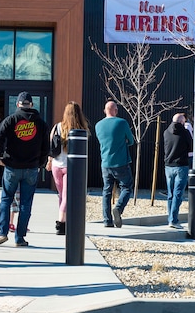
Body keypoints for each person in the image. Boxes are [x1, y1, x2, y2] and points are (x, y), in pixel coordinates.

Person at [0, 92, 50, 247]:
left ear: (18, 104)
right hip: (31, 168)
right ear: (31, 105)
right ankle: (20, 238)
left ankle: (2, 233)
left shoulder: (10, 120)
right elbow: (46, 146)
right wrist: (41, 163)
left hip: (11, 167)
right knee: (26, 203)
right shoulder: (41, 124)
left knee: (6, 200)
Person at [47, 101, 90, 234]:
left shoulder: (57, 127)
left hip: (56, 165)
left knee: (62, 195)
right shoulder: (82, 129)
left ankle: (64, 221)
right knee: (66, 196)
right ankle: (61, 223)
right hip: (71, 166)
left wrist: (49, 161)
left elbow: (50, 145)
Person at [95, 100, 134, 228]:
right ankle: (118, 207)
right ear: (116, 111)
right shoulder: (122, 123)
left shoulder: (98, 125)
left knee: (106, 191)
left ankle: (107, 220)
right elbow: (131, 141)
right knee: (127, 187)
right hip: (121, 162)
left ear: (104, 110)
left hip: (105, 162)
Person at [163, 113, 192, 229]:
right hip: (181, 165)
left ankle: (171, 218)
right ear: (182, 122)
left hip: (168, 165)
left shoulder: (166, 132)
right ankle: (173, 220)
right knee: (178, 194)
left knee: (170, 194)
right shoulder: (185, 133)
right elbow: (191, 146)